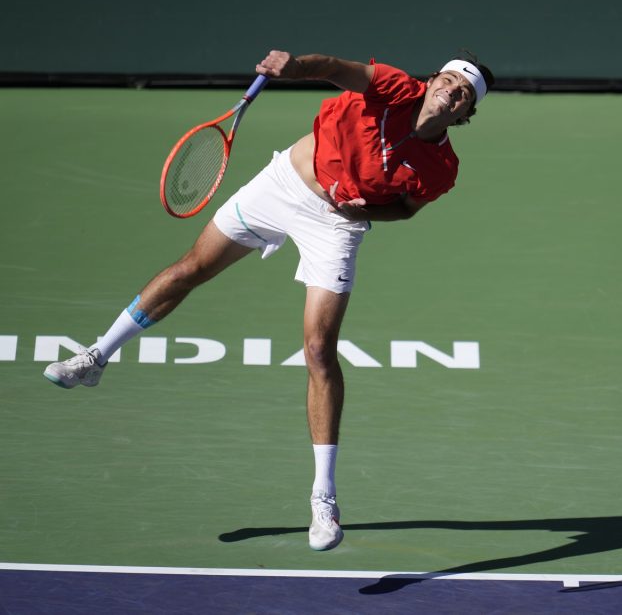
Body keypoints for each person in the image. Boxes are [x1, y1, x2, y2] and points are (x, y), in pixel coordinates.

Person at [43, 49, 495, 552]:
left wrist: (370, 210)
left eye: (463, 93)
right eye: (449, 80)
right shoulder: (390, 87)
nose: (451, 91)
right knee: (191, 268)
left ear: (465, 113)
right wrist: (293, 65)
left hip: (338, 225)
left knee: (320, 351)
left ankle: (323, 499)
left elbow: (407, 209)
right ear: (431, 80)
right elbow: (332, 69)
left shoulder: (441, 167)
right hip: (282, 186)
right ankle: (96, 356)